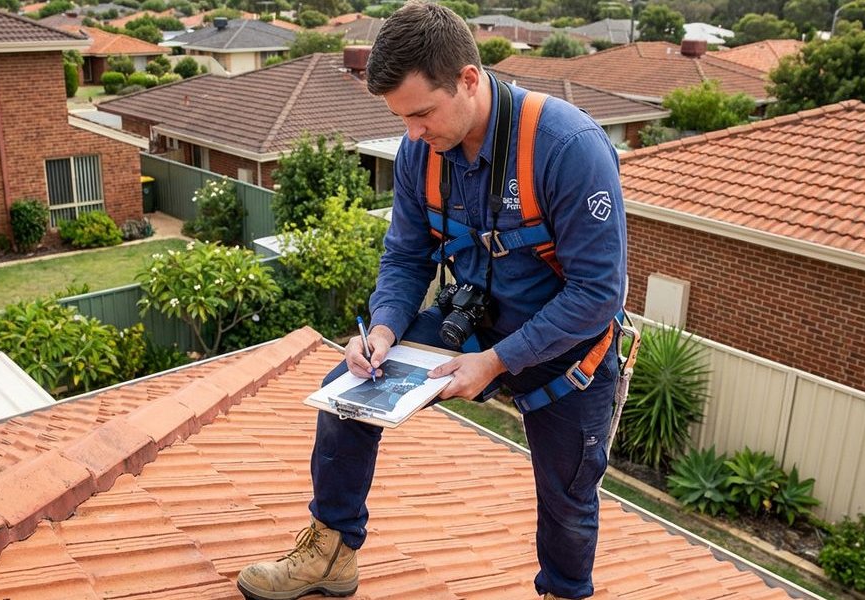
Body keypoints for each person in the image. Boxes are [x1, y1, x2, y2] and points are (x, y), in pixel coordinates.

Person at [236, 2, 627, 599]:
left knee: (567, 499)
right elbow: (405, 258)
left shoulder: (566, 147)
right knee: (346, 395)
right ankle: (332, 553)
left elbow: (599, 292)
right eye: (402, 119)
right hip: (472, 320)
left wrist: (497, 362)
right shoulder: (421, 150)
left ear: (469, 79)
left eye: (421, 114)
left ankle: (564, 592)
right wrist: (385, 330)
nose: (412, 134)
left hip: (566, 347)